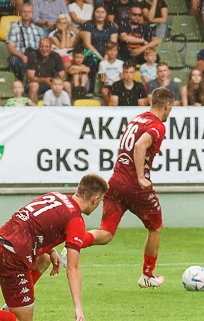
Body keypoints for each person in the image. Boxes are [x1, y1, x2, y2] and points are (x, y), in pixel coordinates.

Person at [73, 89, 175, 288]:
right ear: (167, 105)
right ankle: (147, 275)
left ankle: (74, 243)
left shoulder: (137, 119)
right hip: (135, 187)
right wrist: (140, 177)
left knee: (107, 233)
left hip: (115, 183)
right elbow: (139, 146)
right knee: (155, 227)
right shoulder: (157, 126)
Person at [0, 175, 108, 321]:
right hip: (10, 256)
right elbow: (73, 268)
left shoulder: (54, 196)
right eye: (101, 201)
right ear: (95, 199)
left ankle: (14, 304)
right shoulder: (75, 220)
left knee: (44, 259)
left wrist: (51, 250)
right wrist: (78, 309)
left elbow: (30, 221)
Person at [7, 3, 47, 82]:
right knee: (14, 61)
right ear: (20, 13)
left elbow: (44, 45)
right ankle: (25, 81)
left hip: (36, 57)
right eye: (24, 12)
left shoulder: (38, 29)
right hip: (21, 56)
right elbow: (10, 47)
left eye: (28, 12)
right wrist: (22, 56)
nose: (26, 14)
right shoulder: (15, 27)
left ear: (32, 14)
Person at [27, 37, 68, 104]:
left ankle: (67, 109)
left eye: (47, 47)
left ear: (50, 47)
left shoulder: (56, 56)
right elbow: (30, 77)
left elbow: (62, 75)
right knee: (34, 85)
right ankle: (34, 111)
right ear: (38, 47)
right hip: (38, 82)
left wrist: (55, 83)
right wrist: (44, 80)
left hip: (53, 82)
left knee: (67, 85)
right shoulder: (33, 55)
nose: (44, 49)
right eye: (42, 47)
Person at [98, 41, 123, 105]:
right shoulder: (102, 64)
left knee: (115, 92)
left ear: (117, 52)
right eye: (110, 50)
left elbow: (122, 76)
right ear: (106, 52)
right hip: (108, 85)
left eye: (114, 50)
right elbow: (101, 75)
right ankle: (109, 106)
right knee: (104, 91)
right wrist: (103, 80)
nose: (112, 53)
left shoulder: (121, 63)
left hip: (118, 84)